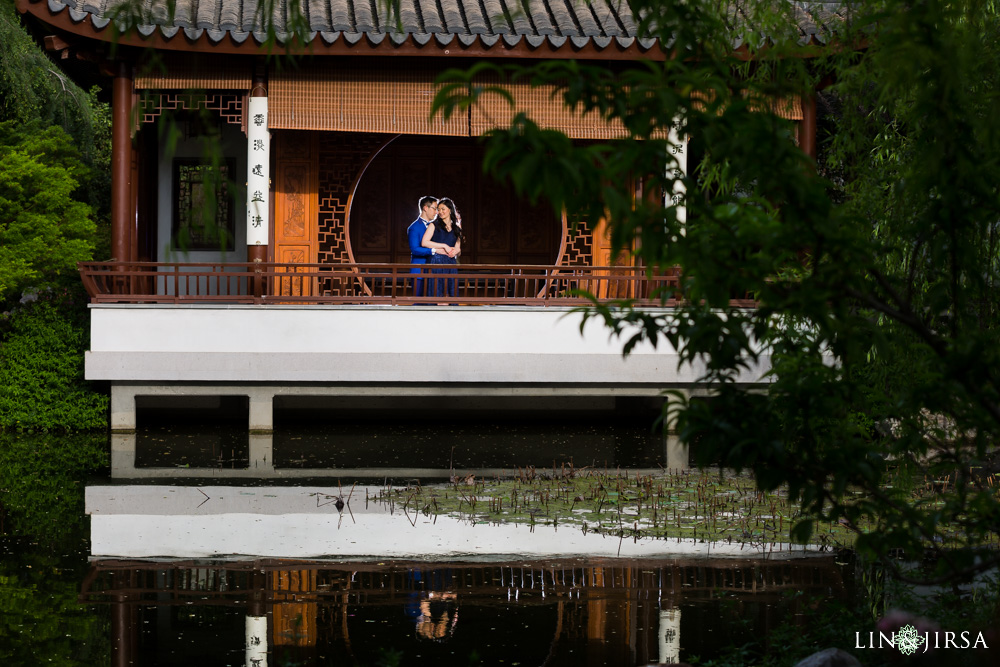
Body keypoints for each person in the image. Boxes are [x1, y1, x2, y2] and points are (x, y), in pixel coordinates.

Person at [421, 197, 463, 300]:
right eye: (438, 209)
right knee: (436, 293)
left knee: (450, 293)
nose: (440, 212)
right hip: (435, 261)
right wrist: (444, 246)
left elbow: (458, 248)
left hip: (450, 262)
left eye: (443, 209)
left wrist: (456, 251)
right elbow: (424, 242)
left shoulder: (457, 229)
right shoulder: (433, 225)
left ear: (450, 210)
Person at [406, 196, 441, 298]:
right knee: (418, 302)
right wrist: (433, 250)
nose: (436, 212)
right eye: (434, 208)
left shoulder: (435, 226)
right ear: (425, 208)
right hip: (419, 271)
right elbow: (415, 249)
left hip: (433, 270)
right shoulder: (414, 227)